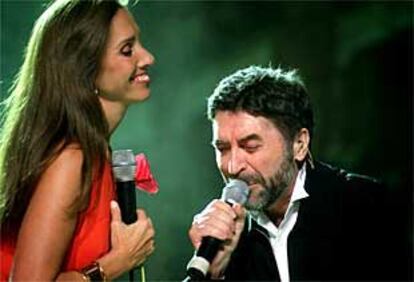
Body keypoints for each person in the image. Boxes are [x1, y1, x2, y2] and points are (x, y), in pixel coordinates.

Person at [188, 65, 400, 281]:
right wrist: (215, 275)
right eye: (222, 149)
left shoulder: (365, 205)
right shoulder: (225, 241)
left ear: (299, 144)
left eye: (250, 147)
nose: (232, 167)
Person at [0, 0, 156, 280]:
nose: (147, 58)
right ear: (85, 68)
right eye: (127, 50)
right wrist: (115, 263)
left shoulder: (94, 153)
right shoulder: (70, 158)